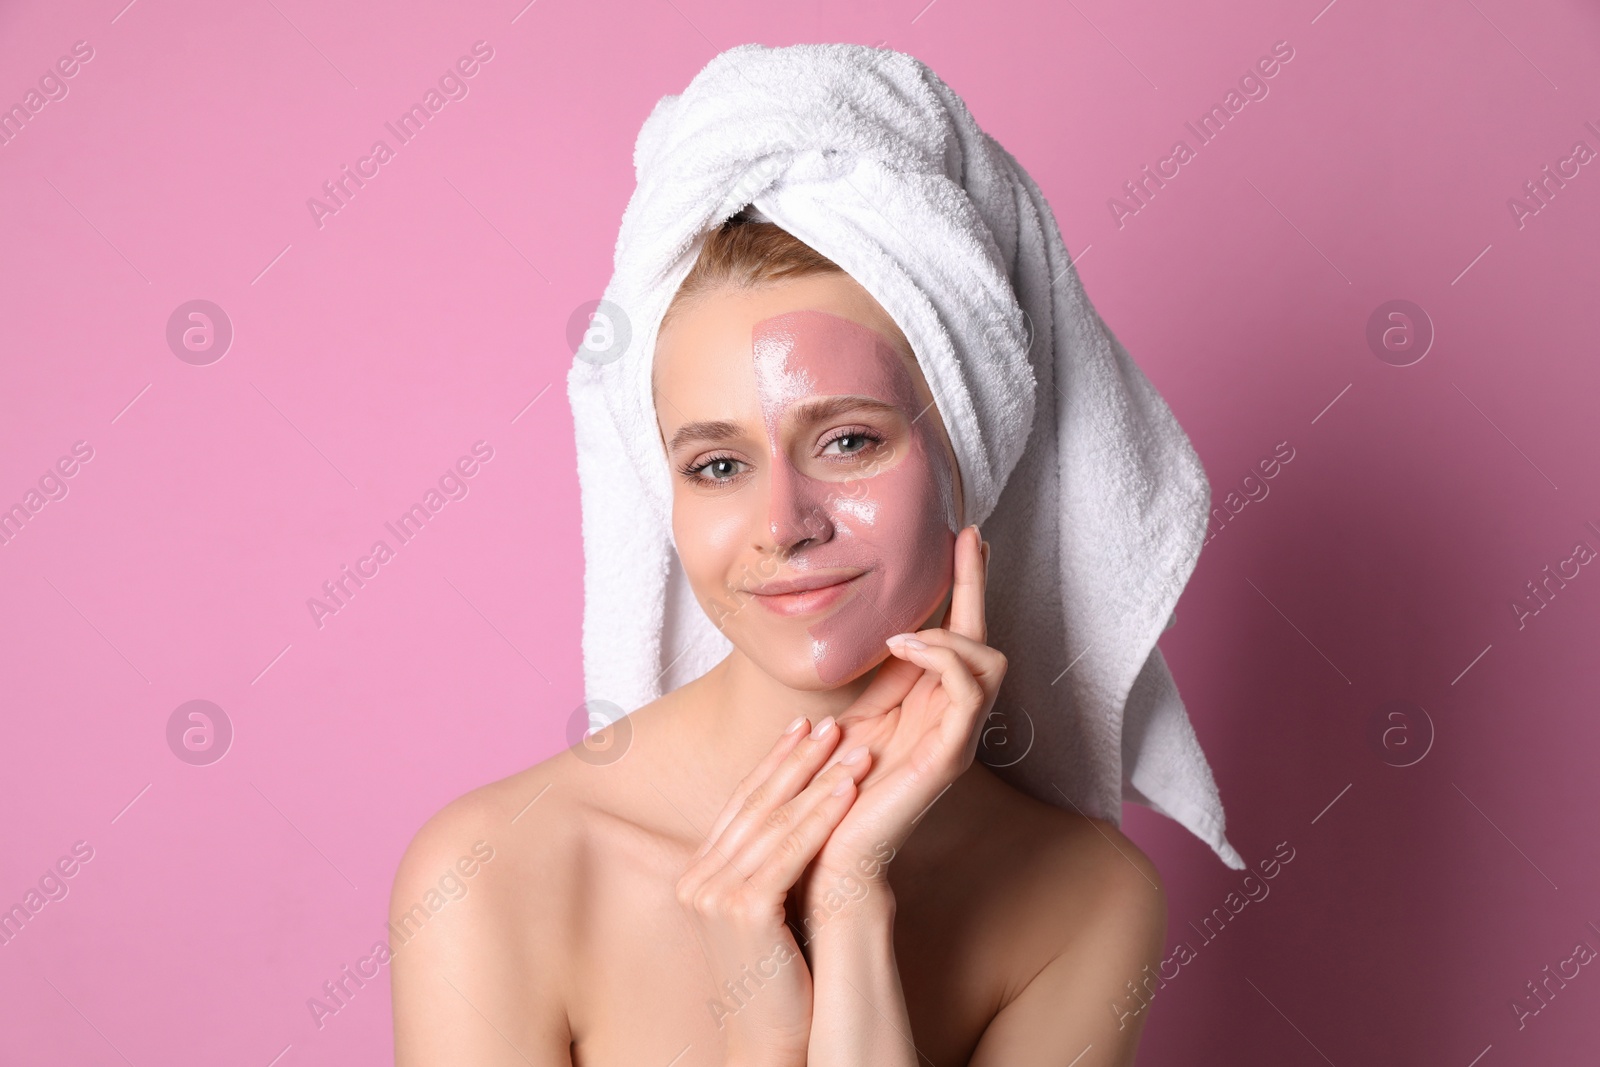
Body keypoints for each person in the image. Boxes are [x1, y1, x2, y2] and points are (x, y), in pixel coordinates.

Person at [389, 212, 1169, 1066]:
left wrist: (848, 907)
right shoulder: (493, 873)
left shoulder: (1084, 898)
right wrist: (760, 1033)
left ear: (965, 461)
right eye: (718, 465)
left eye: (848, 441)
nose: (782, 525)